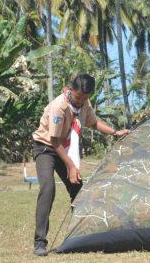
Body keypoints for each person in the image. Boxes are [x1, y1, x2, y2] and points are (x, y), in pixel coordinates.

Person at [31, 73, 130, 256]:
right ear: (71, 90)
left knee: (79, 190)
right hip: (46, 148)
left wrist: (115, 132)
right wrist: (71, 166)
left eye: (85, 98)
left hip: (64, 149)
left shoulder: (84, 104)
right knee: (48, 189)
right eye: (78, 97)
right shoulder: (58, 106)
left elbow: (94, 123)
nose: (80, 101)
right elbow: (54, 141)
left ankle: (83, 236)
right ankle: (40, 242)